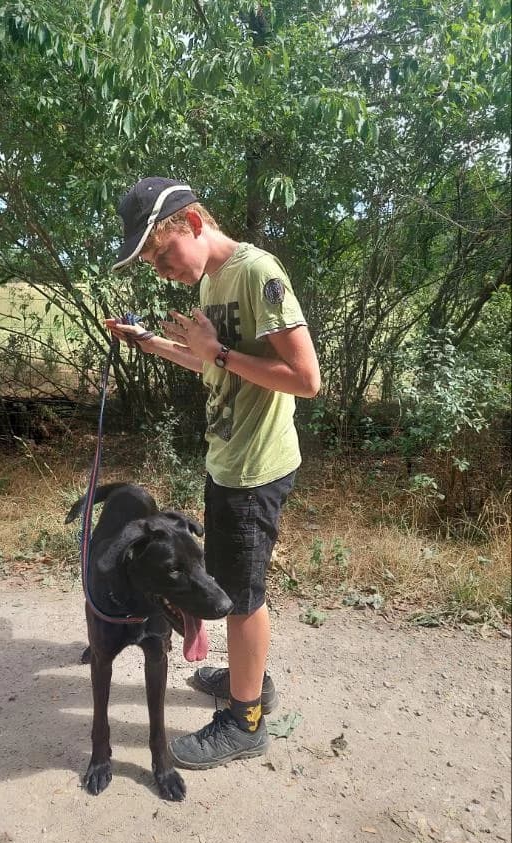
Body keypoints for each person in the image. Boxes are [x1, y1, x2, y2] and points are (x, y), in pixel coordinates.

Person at [105, 177, 320, 770]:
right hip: (227, 459)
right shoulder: (211, 282)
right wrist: (148, 341)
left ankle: (244, 721)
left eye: (160, 252)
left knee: (241, 599)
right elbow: (210, 364)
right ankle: (249, 679)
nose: (159, 268)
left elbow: (306, 379)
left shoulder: (255, 273)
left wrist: (219, 352)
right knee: (229, 580)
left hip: (255, 468)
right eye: (149, 261)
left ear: (193, 223)